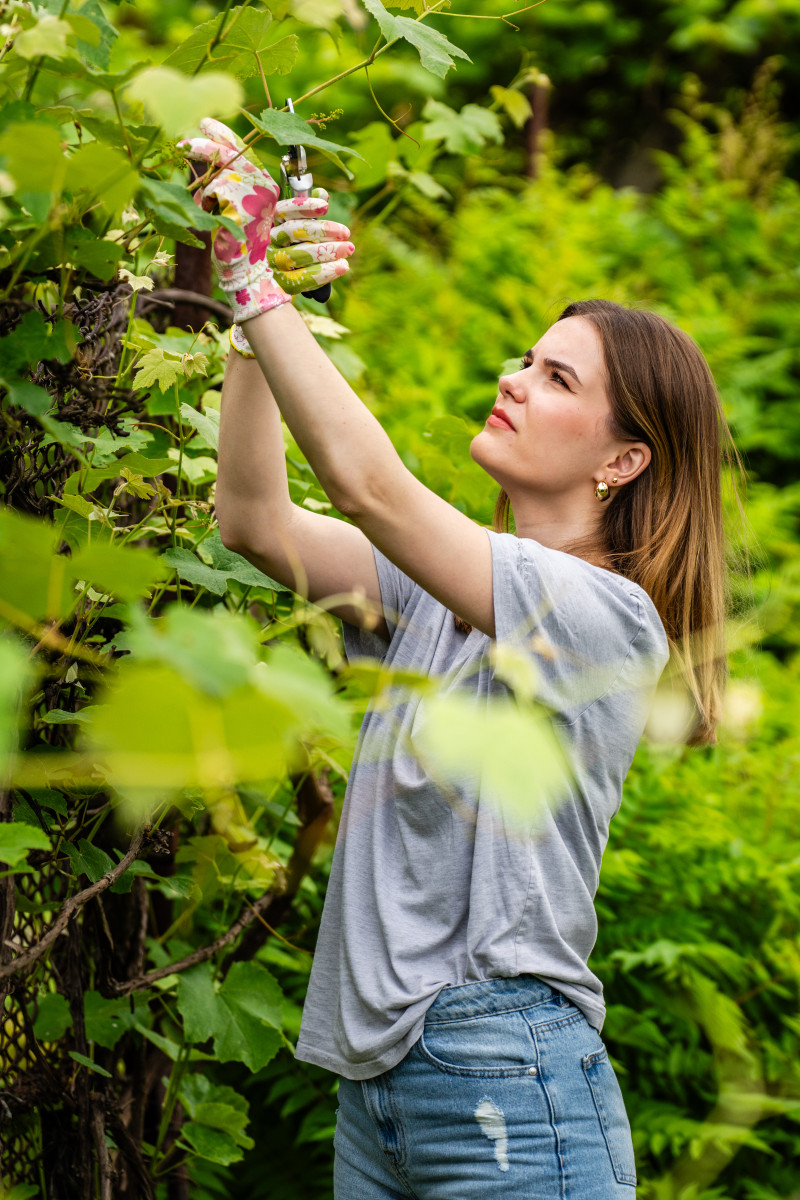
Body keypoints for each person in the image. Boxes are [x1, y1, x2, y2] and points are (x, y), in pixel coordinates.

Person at [180, 119, 731, 1199]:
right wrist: (251, 331)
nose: (515, 378)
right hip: (377, 1088)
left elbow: (369, 488)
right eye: (524, 358)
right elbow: (251, 518)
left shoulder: (601, 617)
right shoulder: (431, 599)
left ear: (622, 459)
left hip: (510, 1077)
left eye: (556, 378)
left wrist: (254, 277)